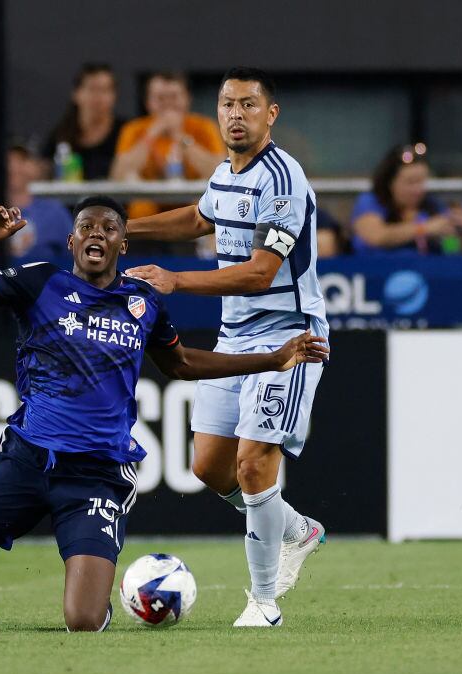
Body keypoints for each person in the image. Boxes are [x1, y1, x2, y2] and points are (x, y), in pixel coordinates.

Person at [0, 195, 328, 631]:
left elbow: (182, 363)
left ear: (123, 243)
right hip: (23, 462)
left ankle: (104, 592)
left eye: (109, 228)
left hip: (97, 475)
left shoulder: (143, 303)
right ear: (72, 241)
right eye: (86, 226)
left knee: (82, 622)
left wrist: (271, 359)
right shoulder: (39, 282)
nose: (97, 234)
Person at [124, 67, 332, 628]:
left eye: (247, 104)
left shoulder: (282, 181)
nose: (235, 114)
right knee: (210, 467)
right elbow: (198, 217)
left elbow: (262, 273)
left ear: (271, 114)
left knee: (253, 462)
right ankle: (296, 529)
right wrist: (125, 229)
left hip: (290, 338)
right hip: (236, 337)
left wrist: (174, 280)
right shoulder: (225, 173)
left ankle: (263, 603)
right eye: (226, 105)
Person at [111, 71, 225, 218]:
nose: (167, 104)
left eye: (174, 97)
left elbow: (221, 174)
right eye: (160, 98)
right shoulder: (133, 129)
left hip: (193, 204)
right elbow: (118, 175)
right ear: (148, 102)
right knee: (140, 206)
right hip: (149, 206)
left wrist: (180, 137)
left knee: (209, 206)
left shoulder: (205, 127)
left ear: (187, 98)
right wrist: (152, 133)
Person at [350, 144, 462, 255]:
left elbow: (452, 249)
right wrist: (424, 228)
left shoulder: (433, 207)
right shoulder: (371, 201)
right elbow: (376, 236)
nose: (417, 189)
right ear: (390, 182)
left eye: (421, 182)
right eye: (410, 182)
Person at [43, 63, 123, 180]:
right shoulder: (61, 134)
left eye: (105, 90)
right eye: (92, 89)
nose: (98, 97)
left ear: (114, 96)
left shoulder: (127, 131)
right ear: (76, 94)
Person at [5, 144, 73, 262]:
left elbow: (75, 254)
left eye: (21, 160)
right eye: (8, 161)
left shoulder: (53, 212)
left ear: (35, 167)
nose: (14, 167)